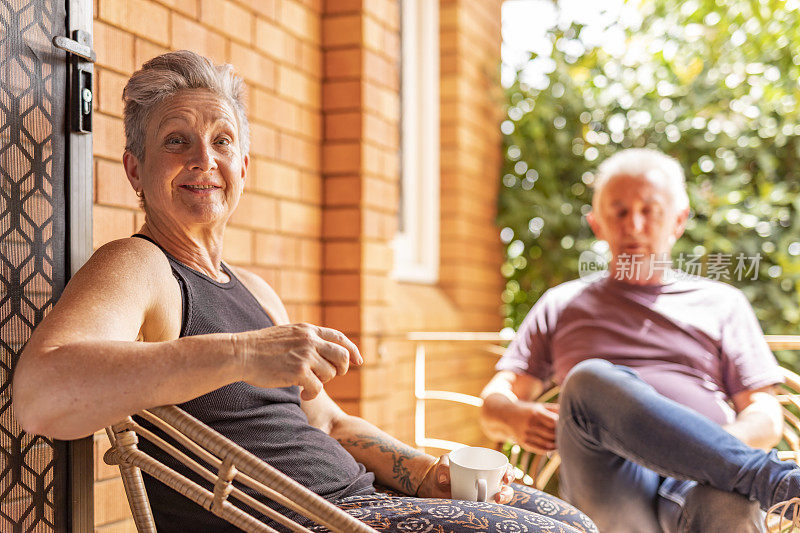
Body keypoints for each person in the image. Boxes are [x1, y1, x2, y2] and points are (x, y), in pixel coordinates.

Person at [11, 50, 596, 533]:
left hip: (360, 506)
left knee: (573, 522)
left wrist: (427, 473)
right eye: (175, 141)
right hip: (306, 522)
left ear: (245, 164)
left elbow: (330, 424)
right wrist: (243, 353)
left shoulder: (256, 291)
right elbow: (41, 395)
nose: (203, 160)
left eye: (221, 140)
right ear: (134, 171)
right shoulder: (139, 265)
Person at [480, 148, 800, 533]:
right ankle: (779, 482)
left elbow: (765, 413)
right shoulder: (562, 304)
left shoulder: (723, 303)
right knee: (589, 381)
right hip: (607, 487)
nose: (633, 224)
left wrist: (706, 450)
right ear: (597, 224)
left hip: (699, 481)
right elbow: (495, 401)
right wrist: (510, 415)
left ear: (678, 221)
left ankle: (752, 475)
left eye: (650, 210)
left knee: (729, 499)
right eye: (619, 211)